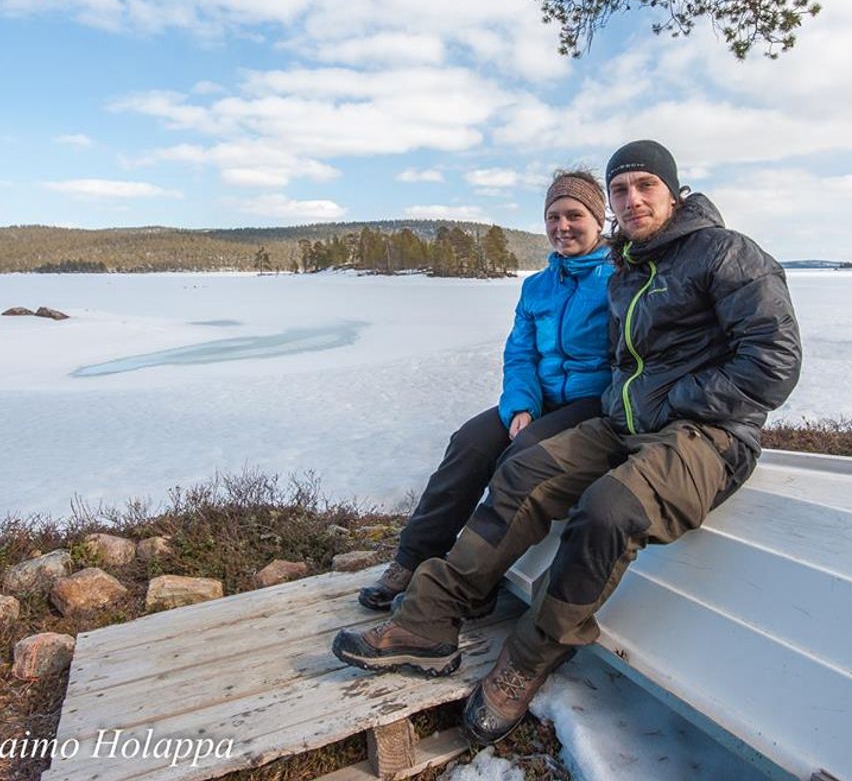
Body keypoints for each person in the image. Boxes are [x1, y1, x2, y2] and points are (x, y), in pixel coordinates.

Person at [333, 140, 802, 746]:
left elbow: (773, 363)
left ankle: (528, 658)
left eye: (644, 186)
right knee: (520, 474)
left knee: (610, 508)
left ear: (674, 192)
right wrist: (549, 403)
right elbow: (583, 357)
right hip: (624, 420)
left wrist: (664, 402)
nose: (632, 199)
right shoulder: (631, 266)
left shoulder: (727, 253)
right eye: (621, 189)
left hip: (710, 432)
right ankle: (428, 618)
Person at [356, 170, 614, 614]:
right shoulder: (537, 286)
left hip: (593, 402)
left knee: (523, 454)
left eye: (574, 215)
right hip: (543, 398)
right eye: (553, 217)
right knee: (470, 443)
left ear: (599, 220)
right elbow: (520, 355)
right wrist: (521, 405)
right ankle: (413, 557)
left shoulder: (619, 280)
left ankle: (476, 578)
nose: (562, 226)